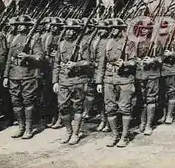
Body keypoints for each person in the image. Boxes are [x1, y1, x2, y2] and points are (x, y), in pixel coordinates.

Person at [96, 18, 136, 147]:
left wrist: (125, 63)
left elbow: (135, 61)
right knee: (110, 108)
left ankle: (124, 136)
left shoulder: (129, 42)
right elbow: (102, 63)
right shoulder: (107, 43)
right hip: (109, 78)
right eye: (111, 29)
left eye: (115, 28)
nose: (112, 31)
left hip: (124, 78)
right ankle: (114, 135)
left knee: (125, 108)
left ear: (121, 29)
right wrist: (99, 82)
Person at [52, 18, 93, 145]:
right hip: (64, 80)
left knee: (77, 107)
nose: (69, 32)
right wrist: (55, 81)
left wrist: (76, 64)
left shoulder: (83, 43)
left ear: (77, 31)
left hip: (78, 80)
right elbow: (57, 63)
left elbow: (88, 62)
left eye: (72, 30)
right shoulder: (62, 44)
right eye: (68, 29)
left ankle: (75, 133)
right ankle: (68, 131)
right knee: (63, 107)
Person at [2, 15, 44, 140]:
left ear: (28, 26)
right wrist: (6, 76)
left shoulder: (33, 39)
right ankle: (21, 127)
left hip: (28, 75)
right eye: (19, 24)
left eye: (23, 24)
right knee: (15, 101)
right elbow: (9, 59)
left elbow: (40, 57)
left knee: (28, 101)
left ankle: (29, 129)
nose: (20, 26)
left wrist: (27, 56)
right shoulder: (14, 39)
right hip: (14, 74)